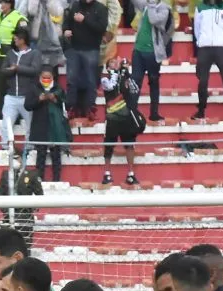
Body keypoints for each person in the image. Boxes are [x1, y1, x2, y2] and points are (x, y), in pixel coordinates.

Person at [191, 0, 223, 121]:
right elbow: (197, 29)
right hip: (204, 48)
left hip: (221, 48)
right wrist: (203, 40)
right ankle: (201, 111)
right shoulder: (200, 7)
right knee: (202, 81)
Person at [62, 0, 108, 120]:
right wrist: (65, 30)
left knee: (91, 81)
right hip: (74, 48)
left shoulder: (101, 8)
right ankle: (71, 108)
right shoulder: (75, 6)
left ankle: (90, 109)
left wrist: (85, 20)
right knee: (71, 80)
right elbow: (67, 22)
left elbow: (101, 28)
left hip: (91, 49)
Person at [130, 0, 173, 124]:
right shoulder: (147, 5)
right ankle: (132, 112)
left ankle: (154, 113)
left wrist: (152, 4)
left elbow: (153, 20)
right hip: (138, 50)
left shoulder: (164, 8)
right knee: (135, 81)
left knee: (153, 82)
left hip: (152, 52)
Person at [101, 56, 141, 186]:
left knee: (129, 144)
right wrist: (118, 74)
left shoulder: (124, 76)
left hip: (126, 115)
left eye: (115, 61)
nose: (115, 63)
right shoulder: (105, 78)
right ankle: (107, 173)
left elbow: (135, 90)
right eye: (112, 62)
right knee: (109, 145)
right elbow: (111, 87)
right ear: (108, 67)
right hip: (112, 116)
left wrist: (126, 75)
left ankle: (131, 174)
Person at [24, 67, 69, 182]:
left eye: (48, 78)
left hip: (55, 128)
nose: (46, 80)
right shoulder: (34, 88)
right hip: (40, 127)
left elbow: (66, 104)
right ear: (40, 77)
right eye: (44, 78)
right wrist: (39, 99)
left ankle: (56, 181)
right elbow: (27, 106)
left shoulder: (58, 88)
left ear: (52, 78)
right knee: (41, 155)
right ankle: (39, 181)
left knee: (56, 156)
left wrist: (55, 99)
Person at [0, 29, 37, 150]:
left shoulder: (35, 53)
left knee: (31, 125)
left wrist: (17, 68)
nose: (14, 40)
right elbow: (2, 70)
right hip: (11, 96)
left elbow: (35, 70)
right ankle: (6, 148)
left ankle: (30, 149)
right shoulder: (10, 54)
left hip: (27, 97)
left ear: (22, 40)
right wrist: (11, 70)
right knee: (6, 124)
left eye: (16, 38)